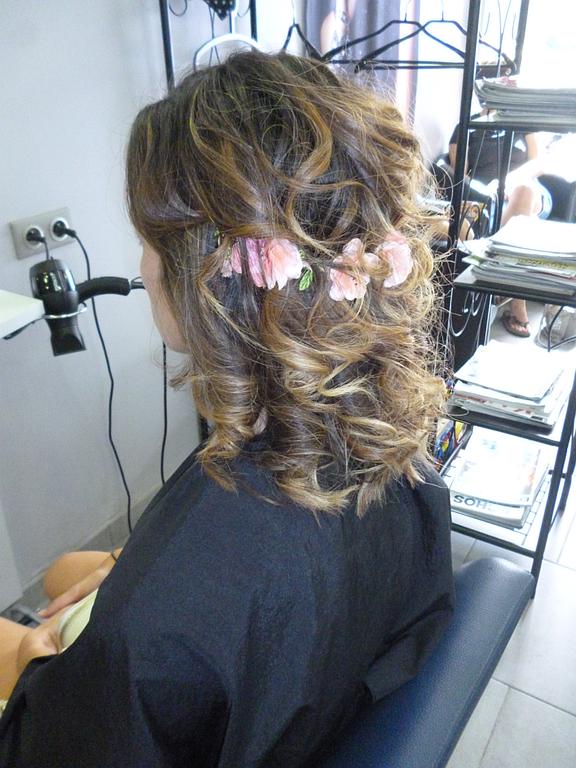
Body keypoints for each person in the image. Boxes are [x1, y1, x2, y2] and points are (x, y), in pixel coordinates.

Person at [0, 51, 454, 767]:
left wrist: (34, 656)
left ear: (215, 283)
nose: (143, 266)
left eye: (149, 243)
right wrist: (137, 566)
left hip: (142, 685)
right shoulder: (389, 438)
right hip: (283, 677)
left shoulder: (145, 638)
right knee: (63, 571)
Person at [448, 116, 553, 337]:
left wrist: (511, 179)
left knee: (524, 191)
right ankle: (511, 290)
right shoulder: (466, 127)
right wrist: (490, 190)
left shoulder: (523, 123)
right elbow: (461, 176)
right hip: (489, 199)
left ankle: (506, 288)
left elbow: (540, 162)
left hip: (529, 191)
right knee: (512, 216)